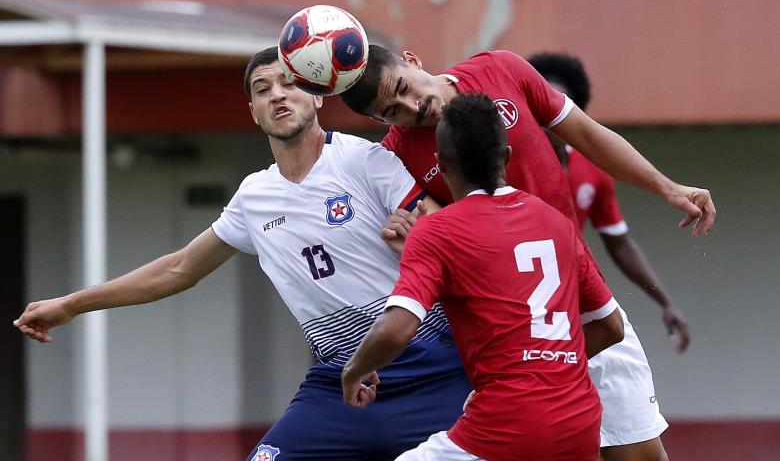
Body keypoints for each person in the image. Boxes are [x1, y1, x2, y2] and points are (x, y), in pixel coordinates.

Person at [13, 47, 473, 461]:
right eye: (262, 89)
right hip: (340, 379)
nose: (278, 95)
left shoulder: (365, 161)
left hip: (427, 364)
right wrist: (71, 305)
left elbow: (450, 237)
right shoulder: (254, 197)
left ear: (317, 97)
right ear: (253, 112)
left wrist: (421, 237)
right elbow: (178, 268)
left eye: (290, 84)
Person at [340, 45, 708, 460]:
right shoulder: (395, 156)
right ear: (378, 121)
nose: (412, 107)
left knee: (641, 455)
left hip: (579, 307)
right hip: (507, 339)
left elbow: (586, 134)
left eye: (404, 88)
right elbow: (451, 234)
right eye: (392, 111)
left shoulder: (501, 69)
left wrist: (669, 187)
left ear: (412, 60)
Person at [342, 93, 625, 461]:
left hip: (506, 428)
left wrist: (354, 371)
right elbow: (611, 326)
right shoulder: (556, 223)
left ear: (440, 164)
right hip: (580, 425)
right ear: (506, 156)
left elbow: (398, 328)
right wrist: (540, 366)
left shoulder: (436, 231)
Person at [527, 52, 690, 353]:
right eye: (541, 101)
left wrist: (664, 301)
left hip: (575, 294)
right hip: (523, 294)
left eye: (556, 103)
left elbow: (619, 243)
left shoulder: (593, 168)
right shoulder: (511, 163)